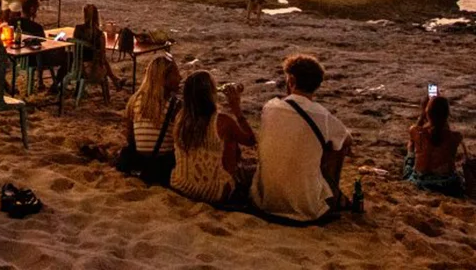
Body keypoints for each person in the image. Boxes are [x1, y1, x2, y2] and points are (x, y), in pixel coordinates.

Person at [251, 54, 352, 222]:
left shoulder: (270, 107)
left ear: (291, 80)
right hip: (305, 208)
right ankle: (331, 194)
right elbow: (347, 139)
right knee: (339, 145)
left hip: (265, 200)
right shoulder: (322, 116)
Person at [171, 71, 256, 205]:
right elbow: (250, 140)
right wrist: (236, 109)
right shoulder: (222, 121)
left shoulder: (181, 118)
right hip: (214, 191)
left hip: (182, 184)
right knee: (232, 143)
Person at [120, 54, 183, 179]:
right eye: (176, 74)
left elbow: (130, 138)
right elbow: (179, 143)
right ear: (164, 78)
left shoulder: (134, 100)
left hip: (138, 161)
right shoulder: (176, 105)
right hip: (162, 164)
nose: (180, 78)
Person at [404, 94, 465, 196]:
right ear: (447, 115)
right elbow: (443, 133)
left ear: (427, 113)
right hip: (447, 186)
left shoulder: (415, 131)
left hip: (420, 182)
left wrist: (423, 115)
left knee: (411, 145)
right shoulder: (456, 137)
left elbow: (417, 132)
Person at [73, 4, 126, 94]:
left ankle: (115, 79)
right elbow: (102, 56)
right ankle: (115, 79)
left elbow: (74, 46)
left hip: (76, 66)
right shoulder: (98, 34)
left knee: (101, 59)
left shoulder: (78, 29)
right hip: (92, 69)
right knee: (102, 59)